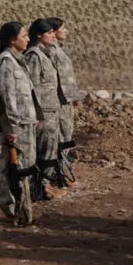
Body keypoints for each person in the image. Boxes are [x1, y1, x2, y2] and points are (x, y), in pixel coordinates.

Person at [0, 22, 39, 221]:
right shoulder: (6, 62)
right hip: (15, 128)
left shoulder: (17, 60)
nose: (28, 39)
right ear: (12, 39)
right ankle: (14, 209)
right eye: (24, 35)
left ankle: (24, 210)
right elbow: (7, 98)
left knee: (26, 168)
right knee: (16, 170)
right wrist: (11, 127)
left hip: (25, 124)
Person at [25, 19, 67, 197]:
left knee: (50, 147)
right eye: (49, 33)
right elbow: (31, 87)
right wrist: (34, 113)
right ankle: (40, 188)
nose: (53, 35)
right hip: (43, 112)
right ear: (38, 35)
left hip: (51, 109)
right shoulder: (34, 55)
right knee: (43, 149)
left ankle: (46, 185)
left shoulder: (45, 53)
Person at [46, 17, 81, 165]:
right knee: (61, 135)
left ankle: (65, 169)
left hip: (66, 100)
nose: (66, 31)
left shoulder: (58, 48)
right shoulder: (50, 50)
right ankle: (60, 170)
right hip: (58, 100)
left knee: (67, 134)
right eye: (63, 28)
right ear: (53, 31)